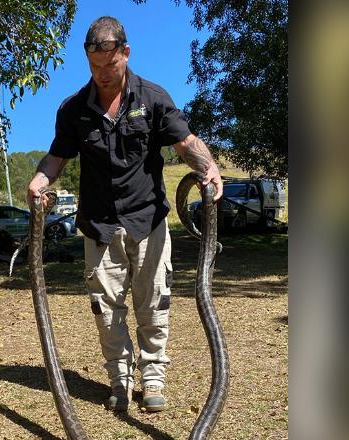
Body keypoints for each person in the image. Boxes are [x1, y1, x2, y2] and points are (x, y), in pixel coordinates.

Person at [26, 15, 223, 413]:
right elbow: (57, 157)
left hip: (148, 220)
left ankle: (152, 379)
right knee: (106, 309)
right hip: (99, 225)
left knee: (153, 303)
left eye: (110, 65)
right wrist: (39, 180)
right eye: (95, 67)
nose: (102, 74)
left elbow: (185, 142)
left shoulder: (152, 98)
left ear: (125, 53)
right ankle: (119, 380)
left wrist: (209, 167)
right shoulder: (74, 110)